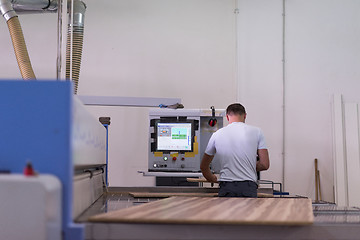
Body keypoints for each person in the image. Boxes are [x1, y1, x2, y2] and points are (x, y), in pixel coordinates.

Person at [200, 103, 269, 197]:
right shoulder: (257, 132)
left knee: (227, 212)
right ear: (245, 116)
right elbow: (264, 164)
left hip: (226, 186)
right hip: (248, 187)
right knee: (249, 212)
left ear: (227, 117)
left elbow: (204, 167)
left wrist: (212, 178)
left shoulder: (217, 134)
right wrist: (248, 166)